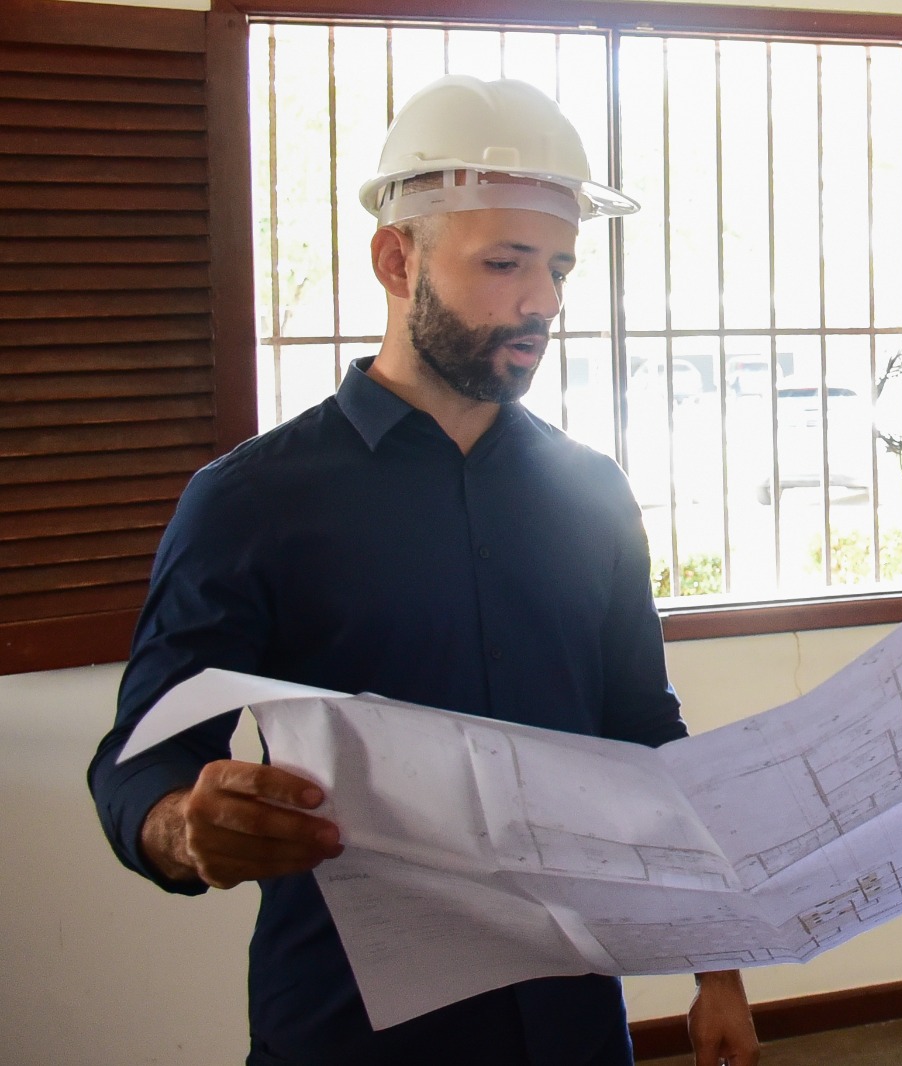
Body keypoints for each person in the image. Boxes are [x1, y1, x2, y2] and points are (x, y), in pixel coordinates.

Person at [88, 75, 760, 1066]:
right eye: (504, 263)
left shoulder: (592, 494)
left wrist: (718, 967)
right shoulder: (251, 501)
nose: (542, 301)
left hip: (569, 1016)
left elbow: (643, 739)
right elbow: (141, 754)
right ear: (396, 259)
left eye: (561, 268)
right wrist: (183, 827)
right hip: (350, 1027)